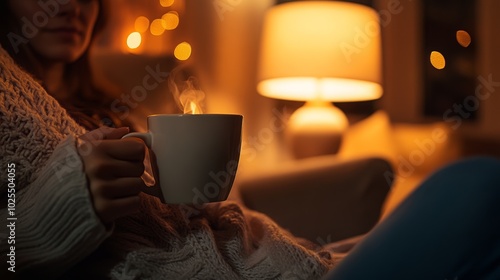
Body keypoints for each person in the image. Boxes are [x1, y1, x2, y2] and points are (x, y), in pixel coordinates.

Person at [1, 1, 499, 280]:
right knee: (478, 188)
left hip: (277, 259)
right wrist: (67, 201)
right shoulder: (10, 104)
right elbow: (9, 246)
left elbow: (205, 210)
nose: (69, 5)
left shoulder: (113, 104)